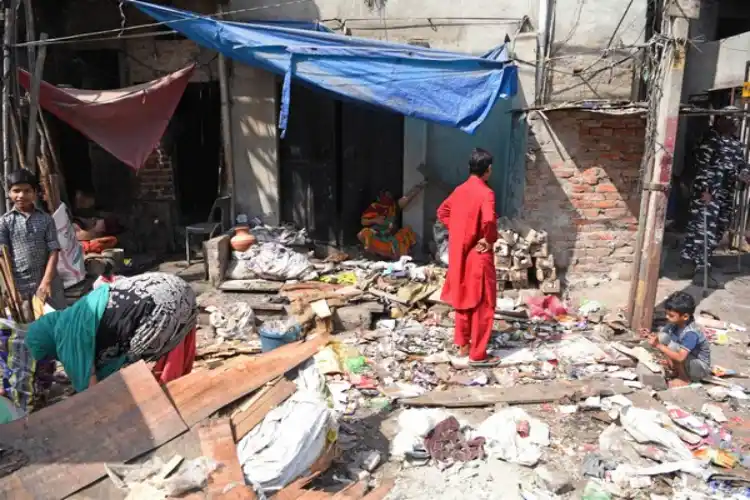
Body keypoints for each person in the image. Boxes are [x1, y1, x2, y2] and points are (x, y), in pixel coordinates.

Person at [25, 272, 197, 393]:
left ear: (47, 344)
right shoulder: (74, 317)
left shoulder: (67, 336)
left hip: (160, 308)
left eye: (50, 355)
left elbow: (92, 393)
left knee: (133, 371)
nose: (55, 358)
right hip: (175, 287)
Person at [437, 148, 498, 367]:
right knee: (483, 304)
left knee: (462, 299)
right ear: (488, 170)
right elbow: (489, 221)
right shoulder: (486, 193)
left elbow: (442, 212)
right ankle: (478, 354)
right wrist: (488, 239)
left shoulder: (459, 190)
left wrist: (457, 229)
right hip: (477, 254)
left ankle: (463, 346)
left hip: (457, 254)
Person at [679, 108, 750, 282]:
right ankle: (701, 271)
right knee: (704, 229)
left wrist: (745, 174)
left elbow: (741, 164)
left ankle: (688, 262)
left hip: (726, 193)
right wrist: (705, 190)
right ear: (719, 120)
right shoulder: (709, 139)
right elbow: (701, 167)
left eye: (736, 121)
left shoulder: (735, 142)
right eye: (731, 120)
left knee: (719, 227)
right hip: (709, 191)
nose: (735, 124)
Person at [0, 169, 65, 310]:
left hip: (47, 282)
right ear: (9, 193)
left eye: (27, 191)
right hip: (19, 285)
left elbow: (54, 250)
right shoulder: (5, 222)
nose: (21, 195)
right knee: (26, 324)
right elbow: (2, 257)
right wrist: (11, 289)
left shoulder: (46, 219)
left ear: (35, 193)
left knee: (54, 321)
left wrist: (46, 282)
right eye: (16, 191)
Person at [640, 291, 710, 388]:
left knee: (673, 347)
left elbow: (680, 357)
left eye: (671, 315)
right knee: (663, 337)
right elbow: (662, 337)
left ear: (685, 316)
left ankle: (684, 379)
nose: (667, 317)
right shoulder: (674, 324)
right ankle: (674, 369)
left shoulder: (691, 333)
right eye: (667, 314)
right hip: (688, 361)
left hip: (699, 368)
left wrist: (658, 345)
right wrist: (649, 335)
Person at [358, 183, 425, 260]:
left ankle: (395, 256)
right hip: (378, 235)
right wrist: (376, 220)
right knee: (364, 233)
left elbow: (406, 198)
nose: (388, 197)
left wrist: (419, 187)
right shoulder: (375, 207)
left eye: (389, 195)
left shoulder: (393, 206)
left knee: (407, 231)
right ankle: (374, 255)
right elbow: (363, 221)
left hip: (390, 237)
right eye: (386, 195)